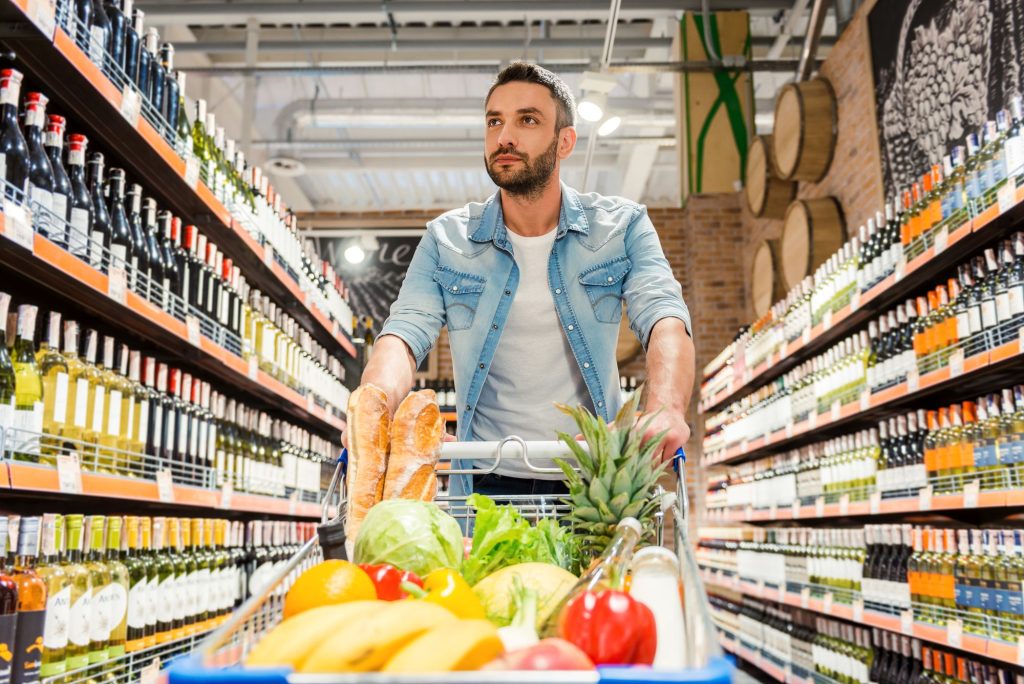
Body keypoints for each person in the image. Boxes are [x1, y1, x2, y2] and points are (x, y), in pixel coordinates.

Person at [343, 62, 694, 497]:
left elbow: (665, 319)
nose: (504, 136)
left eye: (527, 120)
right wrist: (374, 407)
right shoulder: (447, 239)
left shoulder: (621, 227)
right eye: (495, 121)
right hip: (482, 481)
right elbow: (403, 335)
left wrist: (666, 409)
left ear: (565, 141)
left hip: (593, 478)